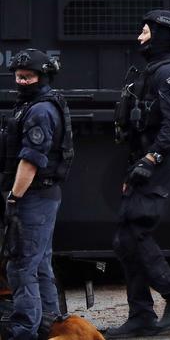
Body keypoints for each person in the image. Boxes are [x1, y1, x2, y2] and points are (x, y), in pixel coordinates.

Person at [106, 10, 170, 338]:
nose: (140, 37)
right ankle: (141, 315)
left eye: (146, 31)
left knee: (134, 232)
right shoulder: (151, 71)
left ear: (161, 35)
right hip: (144, 163)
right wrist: (136, 164)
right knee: (124, 238)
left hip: (162, 163)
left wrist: (151, 158)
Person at [1, 48, 73, 340]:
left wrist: (14, 197)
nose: (21, 82)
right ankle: (52, 325)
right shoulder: (29, 106)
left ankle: (24, 331)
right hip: (42, 196)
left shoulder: (40, 110)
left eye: (28, 77)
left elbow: (30, 160)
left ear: (43, 77)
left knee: (20, 267)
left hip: (33, 196)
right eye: (18, 76)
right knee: (40, 263)